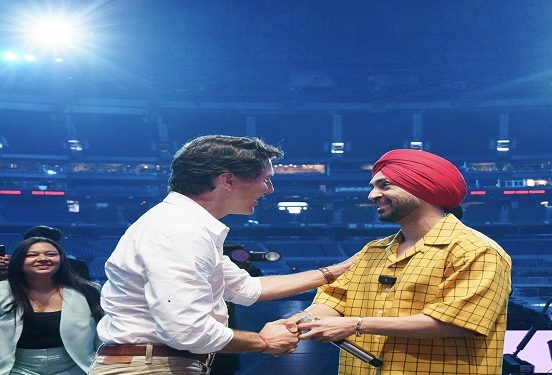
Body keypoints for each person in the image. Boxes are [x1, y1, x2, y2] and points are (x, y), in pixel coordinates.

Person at [89, 135, 354, 375]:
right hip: (150, 368)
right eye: (265, 178)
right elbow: (186, 330)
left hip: (156, 364)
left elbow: (246, 288)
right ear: (228, 180)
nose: (269, 188)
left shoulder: (185, 224)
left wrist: (335, 272)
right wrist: (263, 342)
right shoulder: (179, 230)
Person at [288, 149, 512, 375]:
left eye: (385, 186)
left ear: (423, 188)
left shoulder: (477, 250)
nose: (372, 195)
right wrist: (303, 321)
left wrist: (355, 324)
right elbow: (334, 298)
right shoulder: (372, 250)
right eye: (373, 187)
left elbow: (456, 322)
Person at [0, 237, 103, 374]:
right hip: (16, 367)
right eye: (32, 255)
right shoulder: (2, 292)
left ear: (61, 259)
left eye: (51, 254)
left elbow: (101, 335)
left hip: (76, 366)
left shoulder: (88, 291)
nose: (43, 258)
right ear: (18, 261)